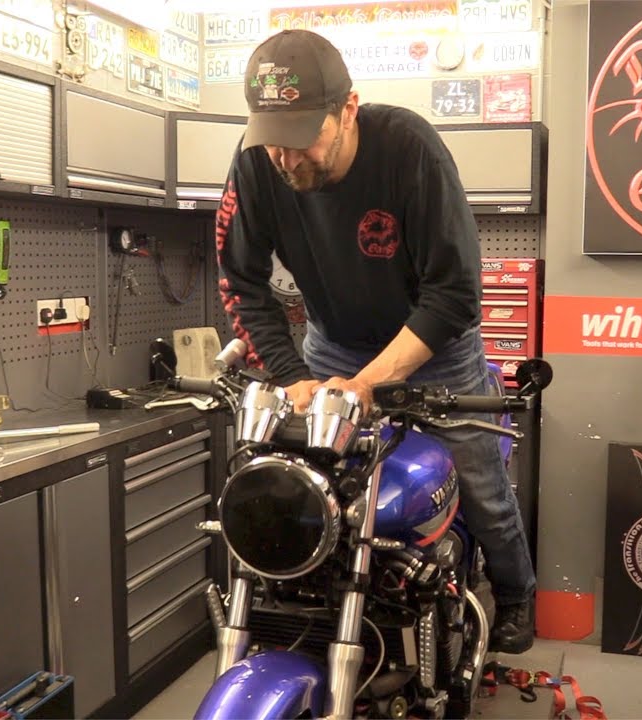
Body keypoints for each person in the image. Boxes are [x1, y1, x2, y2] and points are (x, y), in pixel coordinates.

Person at [213, 28, 536, 654]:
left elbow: (455, 294)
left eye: (303, 137)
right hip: (332, 347)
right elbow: (241, 281)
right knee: (318, 489)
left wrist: (367, 384)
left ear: (349, 109)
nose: (286, 158)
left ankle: (516, 593)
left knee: (480, 486)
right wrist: (291, 376)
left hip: (436, 351)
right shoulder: (256, 162)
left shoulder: (410, 150)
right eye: (273, 140)